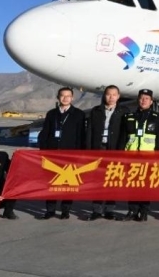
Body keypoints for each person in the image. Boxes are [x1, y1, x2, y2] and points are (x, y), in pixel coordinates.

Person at [37, 87, 86, 220]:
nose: (65, 98)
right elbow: (45, 133)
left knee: (68, 184)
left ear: (72, 98)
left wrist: (79, 154)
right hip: (52, 154)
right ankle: (50, 210)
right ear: (58, 97)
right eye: (62, 96)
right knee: (51, 182)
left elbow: (81, 135)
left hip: (70, 155)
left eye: (68, 96)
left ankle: (65, 210)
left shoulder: (79, 114)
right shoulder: (51, 114)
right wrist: (43, 150)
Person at [120, 89, 159, 222]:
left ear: (151, 101)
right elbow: (123, 137)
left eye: (146, 98)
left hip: (148, 157)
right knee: (132, 185)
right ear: (138, 100)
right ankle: (132, 210)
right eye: (141, 98)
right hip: (132, 156)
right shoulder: (129, 117)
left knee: (145, 185)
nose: (144, 101)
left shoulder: (157, 118)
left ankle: (144, 211)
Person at [84, 85, 126, 221]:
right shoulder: (96, 111)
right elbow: (89, 131)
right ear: (104, 96)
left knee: (112, 179)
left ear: (118, 96)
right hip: (99, 148)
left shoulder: (123, 112)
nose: (111, 97)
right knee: (98, 179)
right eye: (108, 94)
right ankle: (96, 209)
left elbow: (125, 133)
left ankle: (109, 209)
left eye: (114, 94)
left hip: (114, 149)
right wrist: (89, 151)